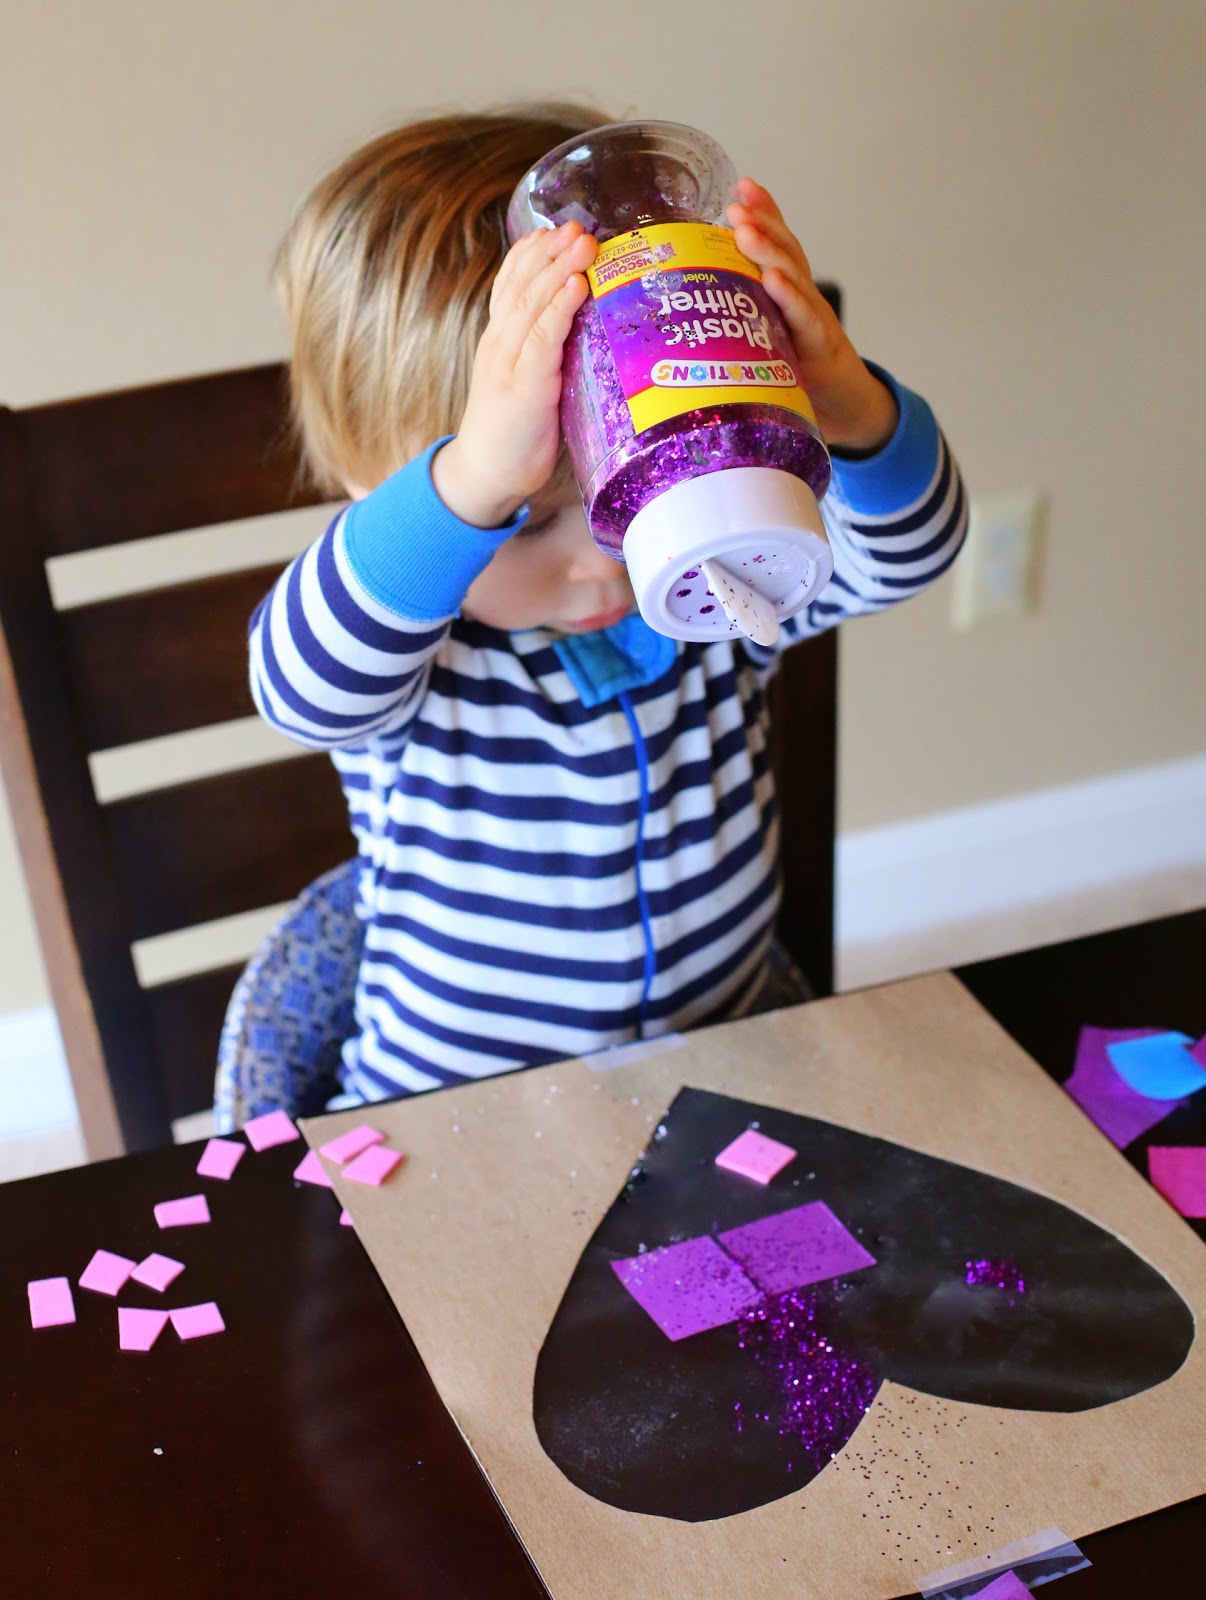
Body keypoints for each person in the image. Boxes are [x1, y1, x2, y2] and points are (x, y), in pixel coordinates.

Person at [248, 105, 968, 1104]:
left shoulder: (717, 593)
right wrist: (472, 483)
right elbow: (298, 690)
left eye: (638, 490)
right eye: (523, 522)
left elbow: (909, 553)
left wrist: (851, 408)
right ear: (383, 491)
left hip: (724, 1070)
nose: (608, 559)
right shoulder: (412, 662)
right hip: (458, 1112)